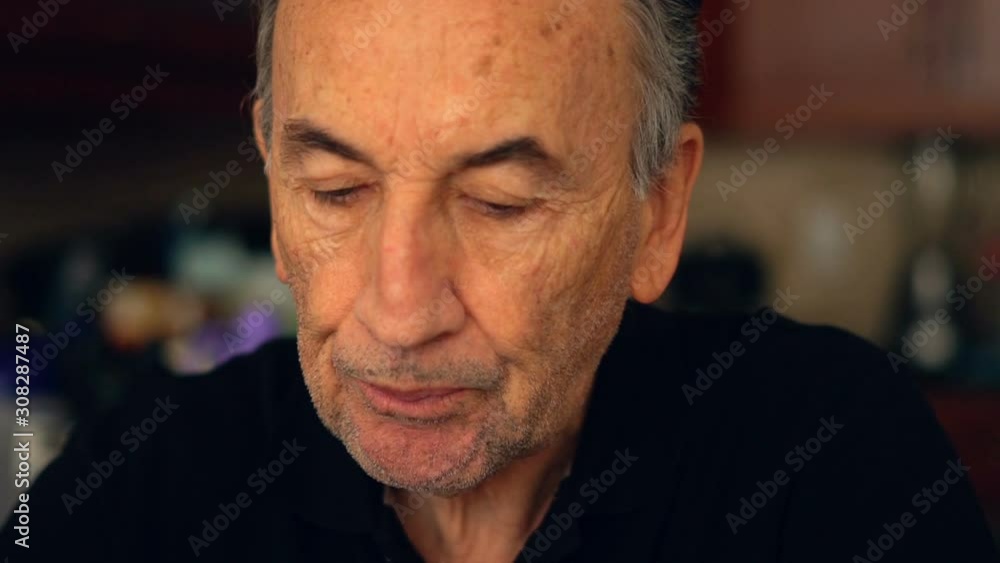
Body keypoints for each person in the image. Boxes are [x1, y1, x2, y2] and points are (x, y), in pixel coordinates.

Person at [4, 0, 998, 561]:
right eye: (336, 190)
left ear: (656, 210)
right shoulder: (147, 483)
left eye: (499, 204)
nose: (399, 312)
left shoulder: (828, 461)